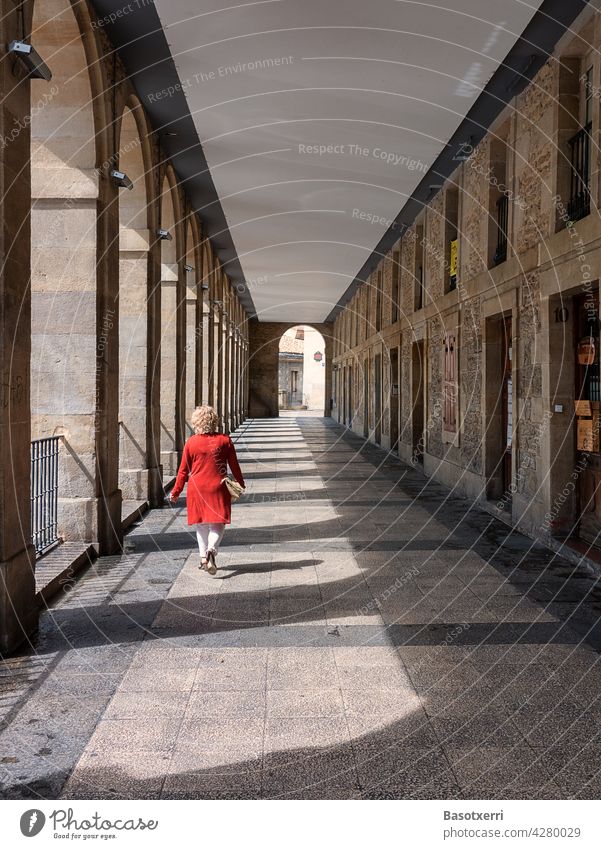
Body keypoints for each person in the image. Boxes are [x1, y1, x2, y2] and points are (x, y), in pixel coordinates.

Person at [170, 405, 245, 575]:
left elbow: (183, 471)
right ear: (214, 421)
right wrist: (240, 483)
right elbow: (234, 465)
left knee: (201, 525)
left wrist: (176, 491)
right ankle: (211, 550)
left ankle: (203, 558)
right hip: (218, 487)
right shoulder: (224, 440)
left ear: (196, 422)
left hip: (197, 489)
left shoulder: (191, 443)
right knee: (217, 523)